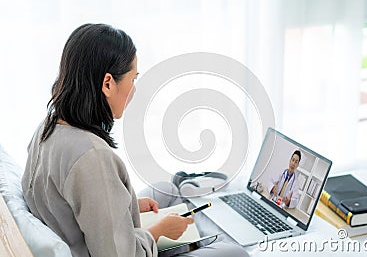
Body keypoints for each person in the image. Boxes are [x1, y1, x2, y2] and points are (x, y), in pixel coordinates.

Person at [21, 24, 248, 257]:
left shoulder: (48, 126)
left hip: (81, 231)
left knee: (167, 190)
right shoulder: (92, 157)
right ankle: (198, 244)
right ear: (108, 83)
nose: (134, 90)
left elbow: (69, 203)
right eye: (133, 79)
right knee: (234, 251)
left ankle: (191, 242)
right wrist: (158, 231)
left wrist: (128, 207)